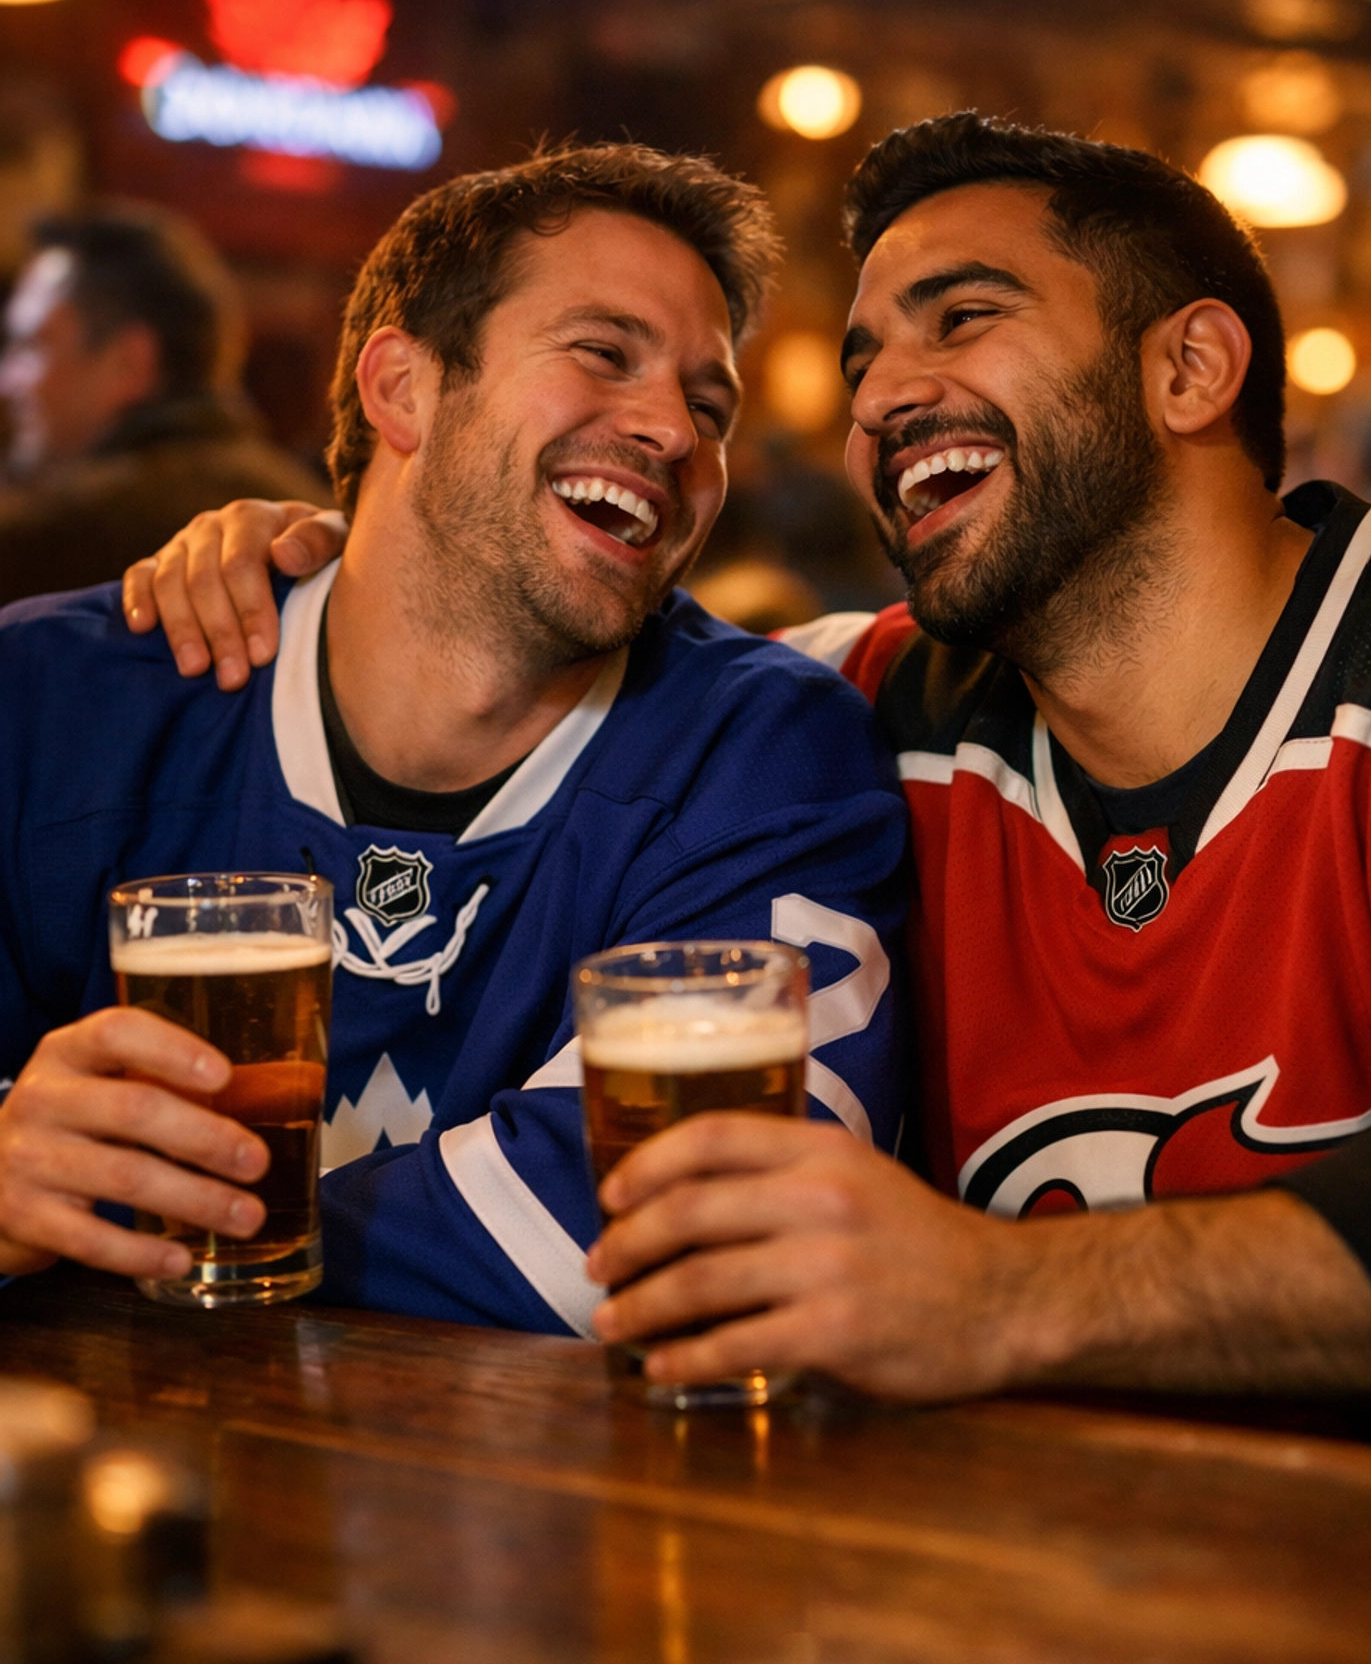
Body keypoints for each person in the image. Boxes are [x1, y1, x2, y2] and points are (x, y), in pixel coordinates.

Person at [142, 119, 1371, 1461]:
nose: (879, 400)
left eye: (961, 316)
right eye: (865, 357)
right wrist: (335, 561)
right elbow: (513, 654)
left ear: (1190, 369)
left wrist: (998, 1297)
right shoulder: (859, 701)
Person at [0, 145, 907, 1329]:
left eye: (709, 403)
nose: (674, 432)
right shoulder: (61, 698)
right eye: (603, 353)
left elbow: (694, 1226)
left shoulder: (766, 753)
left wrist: (136, 1229)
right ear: (401, 389)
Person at [0, 205, 330, 602]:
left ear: (128, 364)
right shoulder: (304, 509)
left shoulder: (63, 537)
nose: (7, 381)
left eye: (31, 348)